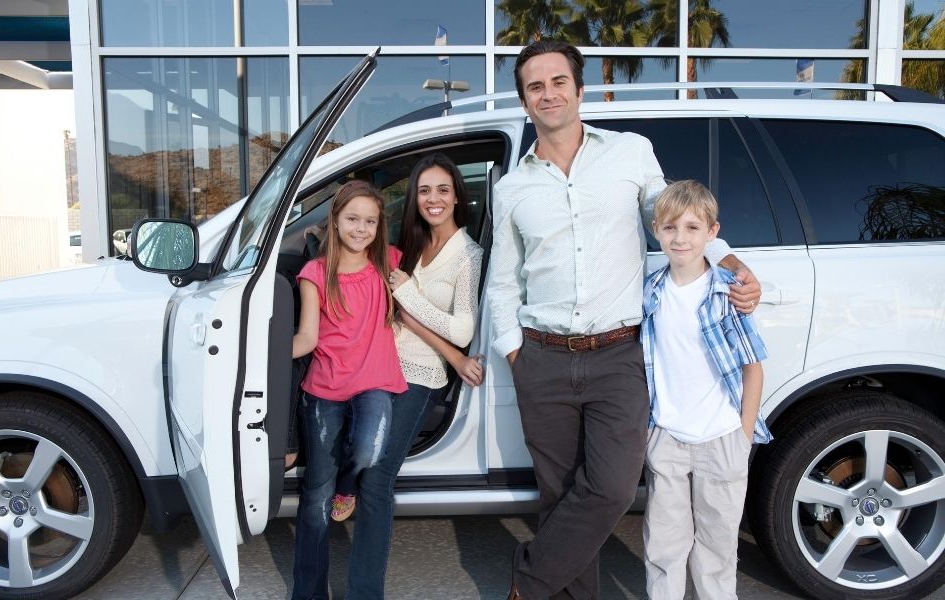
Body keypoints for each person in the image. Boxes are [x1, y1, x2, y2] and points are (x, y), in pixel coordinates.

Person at [487, 40, 762, 600]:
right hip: (542, 357)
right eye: (535, 86)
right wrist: (516, 352)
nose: (549, 93)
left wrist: (728, 261)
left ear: (579, 90)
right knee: (560, 497)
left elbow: (675, 218)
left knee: (610, 489)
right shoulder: (512, 188)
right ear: (525, 101)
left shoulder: (631, 153)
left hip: (618, 355)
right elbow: (501, 280)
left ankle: (528, 583)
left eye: (558, 81)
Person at [341, 153, 486, 598]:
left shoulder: (469, 255)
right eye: (424, 190)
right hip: (376, 360)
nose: (433, 199)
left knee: (378, 477)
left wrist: (405, 294)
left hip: (420, 372)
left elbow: (462, 329)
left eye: (443, 189)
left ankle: (364, 593)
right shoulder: (410, 240)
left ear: (457, 195)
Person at [640, 180, 770, 600]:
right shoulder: (650, 294)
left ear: (712, 233)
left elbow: (753, 366)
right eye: (671, 228)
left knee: (717, 549)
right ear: (656, 229)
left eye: (693, 228)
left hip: (722, 438)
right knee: (664, 546)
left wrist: (743, 435)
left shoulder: (726, 292)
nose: (680, 238)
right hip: (668, 438)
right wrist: (651, 432)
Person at [290, 180, 407, 600]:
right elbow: (306, 337)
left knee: (368, 450)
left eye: (370, 221)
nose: (361, 228)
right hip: (324, 389)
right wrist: (259, 357)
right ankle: (307, 592)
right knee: (315, 499)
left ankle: (348, 486)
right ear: (335, 221)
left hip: (375, 381)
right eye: (353, 219)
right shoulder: (314, 273)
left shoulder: (388, 265)